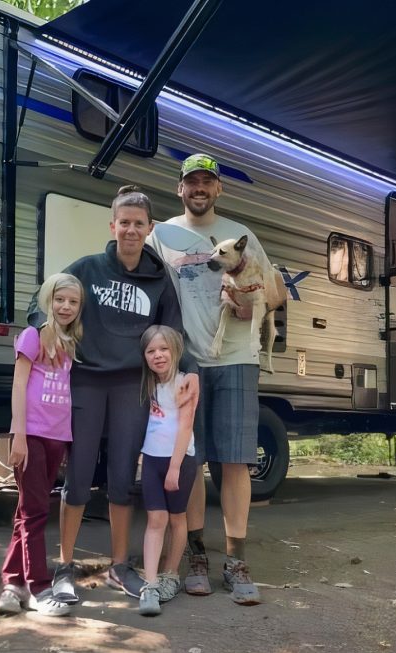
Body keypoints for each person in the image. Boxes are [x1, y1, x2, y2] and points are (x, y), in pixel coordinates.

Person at [148, 153, 284, 606]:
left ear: (218, 189)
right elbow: (142, 285)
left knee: (235, 461)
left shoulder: (242, 237)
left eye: (208, 181)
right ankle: (198, 557)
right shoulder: (161, 235)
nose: (200, 189)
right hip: (187, 363)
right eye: (192, 182)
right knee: (190, 462)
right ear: (180, 188)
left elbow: (276, 290)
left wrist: (253, 305)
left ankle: (236, 560)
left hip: (236, 357)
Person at [51, 185, 195, 605]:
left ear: (149, 229)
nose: (131, 230)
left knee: (120, 477)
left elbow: (175, 335)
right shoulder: (89, 268)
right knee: (77, 475)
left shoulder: (159, 280)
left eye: (138, 224)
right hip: (87, 382)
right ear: (112, 225)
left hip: (133, 387)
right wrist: (52, 337)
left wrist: (193, 372)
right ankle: (64, 565)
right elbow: (46, 303)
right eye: (124, 222)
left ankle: (119, 564)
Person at [0, 272, 84, 618]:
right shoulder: (32, 337)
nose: (65, 306)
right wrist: (18, 435)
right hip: (30, 435)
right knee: (36, 513)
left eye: (73, 302)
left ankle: (12, 583)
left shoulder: (69, 343)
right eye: (60, 299)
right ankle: (39, 588)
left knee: (26, 511)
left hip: (57, 437)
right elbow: (19, 387)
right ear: (49, 300)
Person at [137, 325, 197, 616]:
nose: (158, 355)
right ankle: (149, 584)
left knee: (176, 518)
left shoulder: (185, 382)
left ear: (175, 352)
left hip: (179, 460)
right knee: (155, 519)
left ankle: (171, 574)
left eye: (164, 349)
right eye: (151, 351)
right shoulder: (148, 384)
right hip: (151, 458)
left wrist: (174, 467)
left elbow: (185, 426)